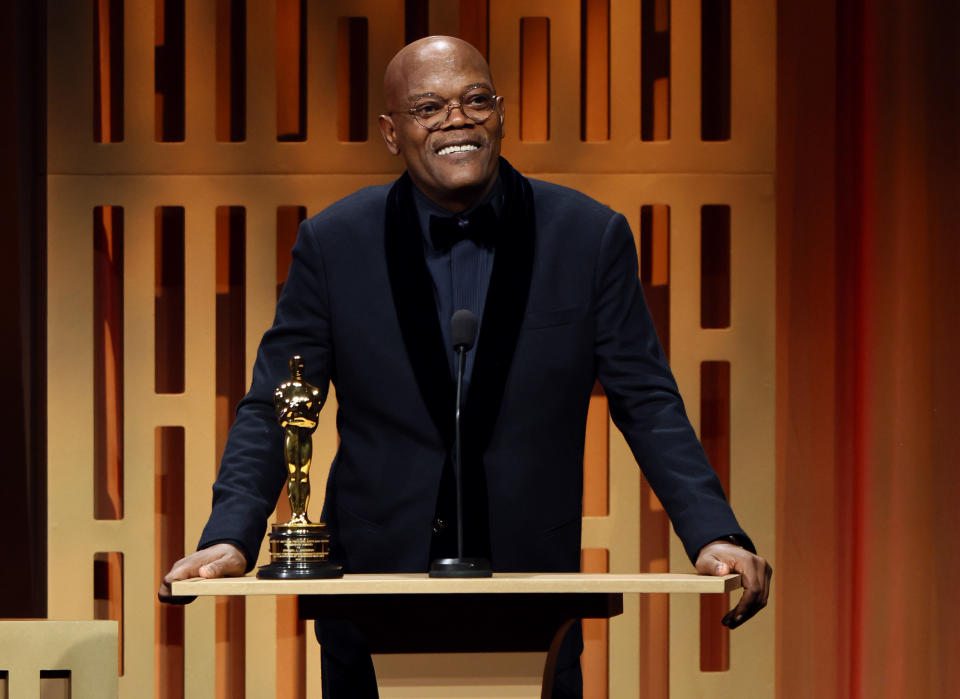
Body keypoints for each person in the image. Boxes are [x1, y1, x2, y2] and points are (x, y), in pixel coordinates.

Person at [159, 35, 772, 697]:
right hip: (374, 587)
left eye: (475, 100)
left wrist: (712, 531)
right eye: (429, 108)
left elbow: (648, 400)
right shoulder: (335, 242)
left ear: (501, 114)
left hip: (532, 588)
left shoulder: (590, 236)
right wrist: (231, 536)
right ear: (393, 132)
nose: (457, 119)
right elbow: (276, 400)